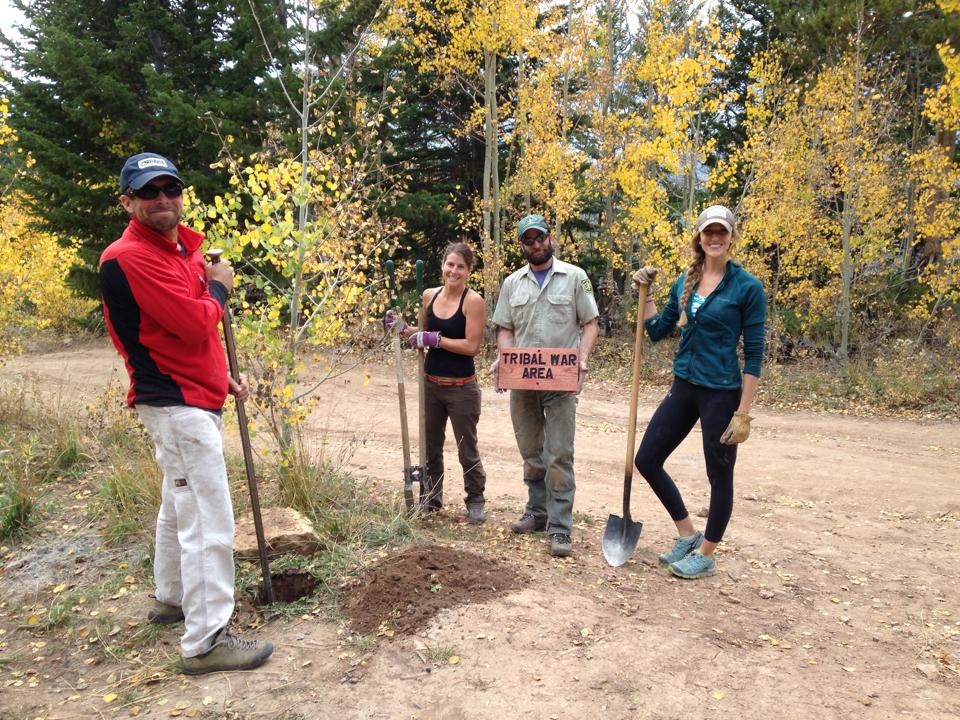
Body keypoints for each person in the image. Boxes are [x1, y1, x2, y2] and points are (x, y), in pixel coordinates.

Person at [99, 152, 273, 674]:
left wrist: (221, 377)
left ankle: (172, 597)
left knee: (177, 505)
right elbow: (196, 323)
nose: (162, 200)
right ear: (128, 201)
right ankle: (205, 641)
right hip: (176, 405)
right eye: (149, 192)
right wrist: (220, 285)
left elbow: (181, 340)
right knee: (208, 519)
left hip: (190, 395)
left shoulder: (180, 252)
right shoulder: (129, 257)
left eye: (170, 189)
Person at [633, 204, 766, 579]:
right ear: (699, 237)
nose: (715, 238)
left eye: (721, 231)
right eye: (708, 231)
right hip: (685, 385)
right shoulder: (684, 282)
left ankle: (707, 553)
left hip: (722, 392)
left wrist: (743, 412)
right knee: (647, 459)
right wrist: (645, 295)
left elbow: (755, 355)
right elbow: (657, 331)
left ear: (731, 236)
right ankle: (687, 534)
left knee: (719, 474)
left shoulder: (747, 287)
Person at [491, 214, 599, 557]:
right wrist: (505, 360)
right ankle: (536, 512)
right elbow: (505, 329)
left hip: (561, 380)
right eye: (529, 240)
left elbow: (591, 323)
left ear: (550, 238)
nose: (536, 244)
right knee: (530, 451)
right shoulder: (512, 284)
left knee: (559, 454)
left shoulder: (575, 278)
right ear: (521, 244)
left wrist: (581, 359)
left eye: (541, 238)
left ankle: (560, 528)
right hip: (523, 381)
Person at [386, 243, 488, 523]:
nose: (454, 271)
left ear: (468, 271)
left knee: (467, 448)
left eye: (460, 266)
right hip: (430, 384)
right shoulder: (429, 296)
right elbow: (421, 334)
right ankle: (432, 499)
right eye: (450, 264)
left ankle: (476, 499)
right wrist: (403, 329)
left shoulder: (473, 301)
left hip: (461, 388)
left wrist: (436, 340)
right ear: (442, 265)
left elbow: (471, 346)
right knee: (430, 447)